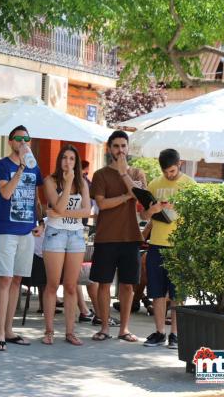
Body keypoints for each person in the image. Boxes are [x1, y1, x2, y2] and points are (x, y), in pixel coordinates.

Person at [90, 130, 147, 342]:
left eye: (124, 146)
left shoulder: (138, 173)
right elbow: (102, 204)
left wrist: (124, 174)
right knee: (103, 284)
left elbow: (140, 198)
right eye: (116, 146)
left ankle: (124, 329)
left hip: (131, 237)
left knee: (127, 285)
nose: (120, 150)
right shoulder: (100, 175)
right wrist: (125, 195)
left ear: (128, 148)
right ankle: (104, 327)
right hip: (106, 237)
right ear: (109, 148)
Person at [0, 125, 43, 352]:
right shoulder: (3, 165)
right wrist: (21, 167)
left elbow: (35, 197)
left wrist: (39, 221)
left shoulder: (35, 167)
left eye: (27, 138)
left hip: (26, 230)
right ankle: (0, 332)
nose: (23, 142)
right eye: (19, 138)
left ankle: (9, 330)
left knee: (17, 281)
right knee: (4, 279)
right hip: (6, 230)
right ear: (11, 142)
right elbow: (5, 193)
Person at [141, 149, 195, 349]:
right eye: (166, 172)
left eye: (172, 171)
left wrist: (179, 207)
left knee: (177, 294)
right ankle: (159, 332)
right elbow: (145, 216)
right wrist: (152, 210)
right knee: (156, 291)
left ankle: (175, 335)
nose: (169, 175)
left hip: (179, 245)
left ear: (179, 164)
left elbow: (195, 214)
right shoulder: (155, 184)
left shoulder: (189, 184)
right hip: (156, 244)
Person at [42, 144, 91, 346]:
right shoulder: (50, 181)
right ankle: (49, 331)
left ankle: (70, 332)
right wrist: (68, 182)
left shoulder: (83, 183)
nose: (67, 162)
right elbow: (58, 205)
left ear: (76, 162)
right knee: (53, 284)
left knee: (71, 286)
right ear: (59, 160)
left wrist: (62, 212)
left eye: (72, 159)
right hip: (55, 234)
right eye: (64, 158)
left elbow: (87, 211)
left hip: (76, 236)